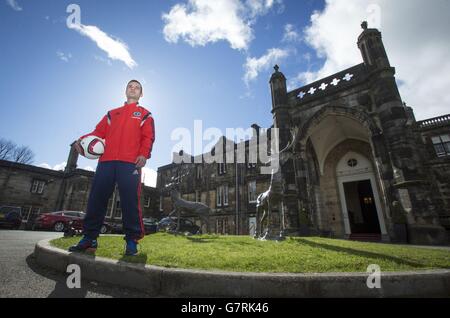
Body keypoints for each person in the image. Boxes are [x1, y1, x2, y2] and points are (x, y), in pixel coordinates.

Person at [69, 80, 155, 256]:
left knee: (129, 201)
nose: (133, 88)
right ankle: (89, 238)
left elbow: (148, 137)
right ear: (125, 91)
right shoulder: (111, 113)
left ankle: (132, 241)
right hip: (106, 162)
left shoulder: (145, 115)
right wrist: (81, 139)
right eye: (130, 86)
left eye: (137, 87)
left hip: (130, 163)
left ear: (141, 94)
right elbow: (97, 133)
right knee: (96, 199)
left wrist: (144, 154)